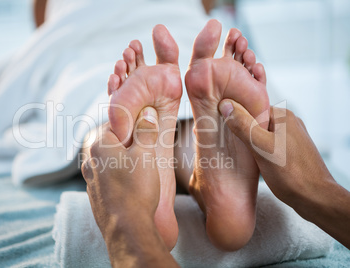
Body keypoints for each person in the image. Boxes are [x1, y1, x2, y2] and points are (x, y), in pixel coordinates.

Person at [82, 21, 350, 266]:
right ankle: (205, 179)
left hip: (86, 59)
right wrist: (319, 189)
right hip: (195, 52)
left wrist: (130, 220)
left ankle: (151, 182)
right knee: (200, 128)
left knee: (100, 130)